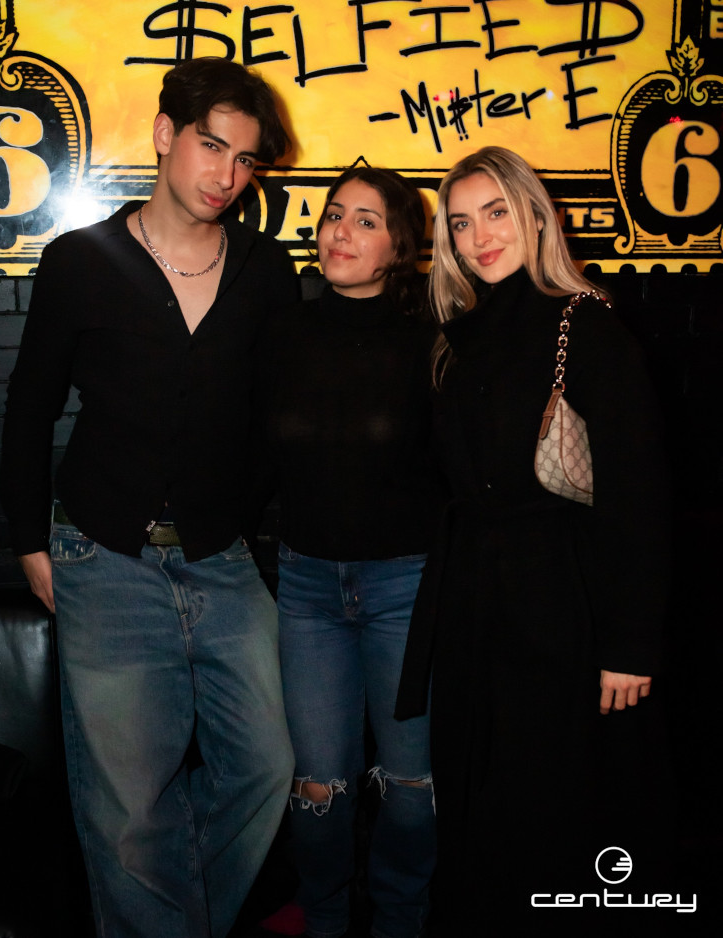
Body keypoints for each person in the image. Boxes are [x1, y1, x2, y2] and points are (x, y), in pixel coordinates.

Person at [0, 57, 297, 938]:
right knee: (128, 810)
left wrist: (238, 516)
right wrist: (29, 539)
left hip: (221, 556)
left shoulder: (265, 269)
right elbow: (29, 407)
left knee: (266, 766)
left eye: (245, 159)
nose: (227, 175)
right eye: (211, 145)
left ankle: (172, 915)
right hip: (101, 553)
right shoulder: (79, 260)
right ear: (166, 135)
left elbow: (275, 417)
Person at [395, 147, 672, 932]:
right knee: (474, 808)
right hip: (472, 604)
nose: (479, 236)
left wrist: (631, 644)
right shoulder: (455, 335)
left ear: (536, 215)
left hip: (559, 604)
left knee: (547, 813)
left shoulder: (588, 325)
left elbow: (638, 496)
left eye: (496, 213)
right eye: (460, 223)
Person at [261, 167, 440, 938]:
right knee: (317, 790)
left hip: (406, 588)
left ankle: (401, 919)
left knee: (411, 788)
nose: (341, 231)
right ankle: (325, 917)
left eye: (367, 221)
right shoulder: (283, 331)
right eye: (335, 214)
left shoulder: (434, 338)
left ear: (399, 246)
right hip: (307, 590)